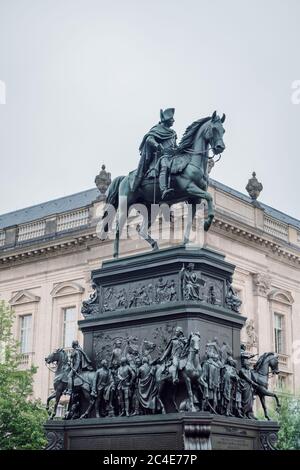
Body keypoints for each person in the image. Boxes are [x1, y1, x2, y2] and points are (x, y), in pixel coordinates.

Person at [132, 108, 177, 200]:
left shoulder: (172, 133)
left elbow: (175, 146)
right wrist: (157, 145)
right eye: (171, 118)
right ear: (166, 119)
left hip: (172, 156)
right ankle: (163, 189)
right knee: (165, 164)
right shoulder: (157, 129)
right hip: (161, 156)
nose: (173, 120)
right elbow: (149, 139)